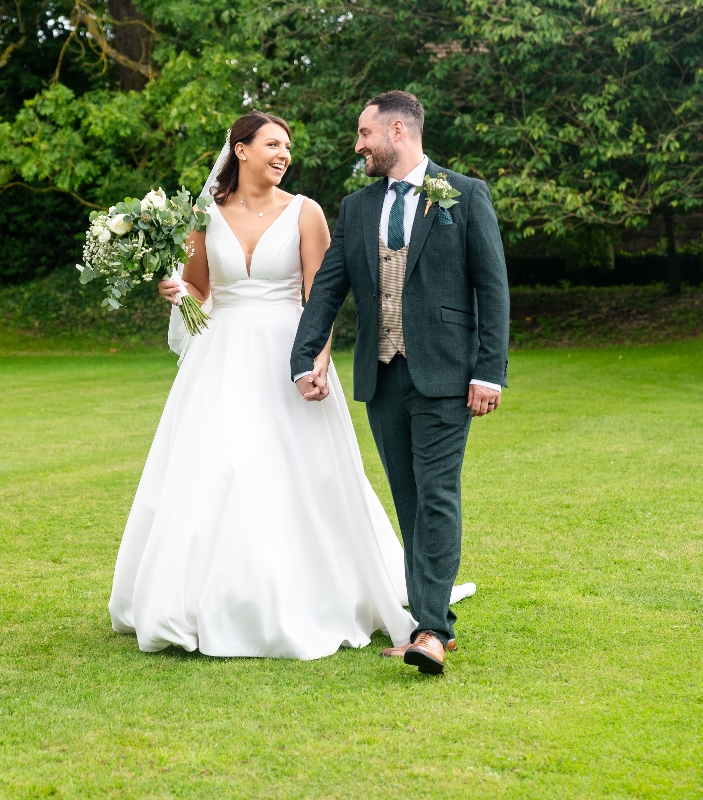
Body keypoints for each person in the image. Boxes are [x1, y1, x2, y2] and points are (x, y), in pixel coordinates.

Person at [107, 110, 472, 660]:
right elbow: (200, 291)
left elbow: (321, 295)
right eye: (273, 144)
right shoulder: (204, 215)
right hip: (220, 359)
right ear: (241, 150)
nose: (284, 155)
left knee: (300, 474)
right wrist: (176, 290)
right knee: (217, 470)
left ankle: (314, 593)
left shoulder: (306, 212)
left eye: (287, 147)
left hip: (289, 353)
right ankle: (206, 600)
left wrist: (316, 362)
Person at [291, 91, 510, 674]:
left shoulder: (464, 194)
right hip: (382, 375)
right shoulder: (357, 207)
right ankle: (430, 621)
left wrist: (489, 371)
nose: (357, 145)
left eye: (364, 133)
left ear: (396, 130)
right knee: (409, 499)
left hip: (447, 374)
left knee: (436, 494)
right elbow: (329, 287)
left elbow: (492, 289)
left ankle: (431, 631)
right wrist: (304, 356)